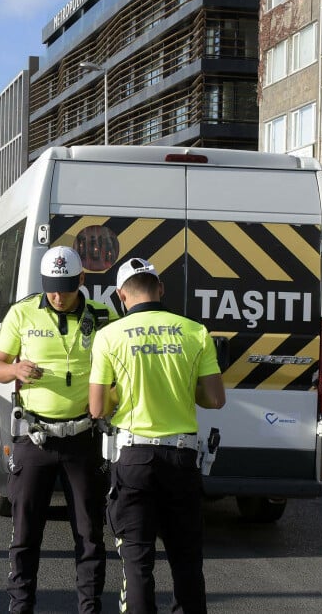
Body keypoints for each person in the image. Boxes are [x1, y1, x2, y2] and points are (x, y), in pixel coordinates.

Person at [88, 258, 226, 614]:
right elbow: (215, 398)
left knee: (137, 561)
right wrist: (180, 390)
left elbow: (98, 408)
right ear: (160, 288)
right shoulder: (195, 332)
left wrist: (122, 395)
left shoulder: (109, 336)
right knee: (186, 560)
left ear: (121, 296)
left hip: (133, 458)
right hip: (181, 458)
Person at [0, 246, 115, 614]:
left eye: (64, 287)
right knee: (25, 533)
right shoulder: (23, 312)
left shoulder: (103, 316)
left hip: (83, 439)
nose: (57, 296)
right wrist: (14, 370)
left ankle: (89, 607)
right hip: (34, 437)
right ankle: (20, 605)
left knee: (90, 535)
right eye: (50, 287)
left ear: (81, 280)